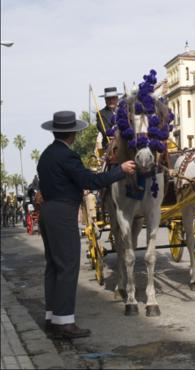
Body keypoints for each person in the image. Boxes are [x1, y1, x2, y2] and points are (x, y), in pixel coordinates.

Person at [37, 111, 136, 339]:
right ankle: (65, 322)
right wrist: (120, 171)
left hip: (48, 211)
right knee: (67, 265)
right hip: (62, 212)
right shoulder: (67, 156)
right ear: (72, 133)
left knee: (53, 265)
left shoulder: (47, 155)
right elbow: (89, 181)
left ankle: (52, 317)